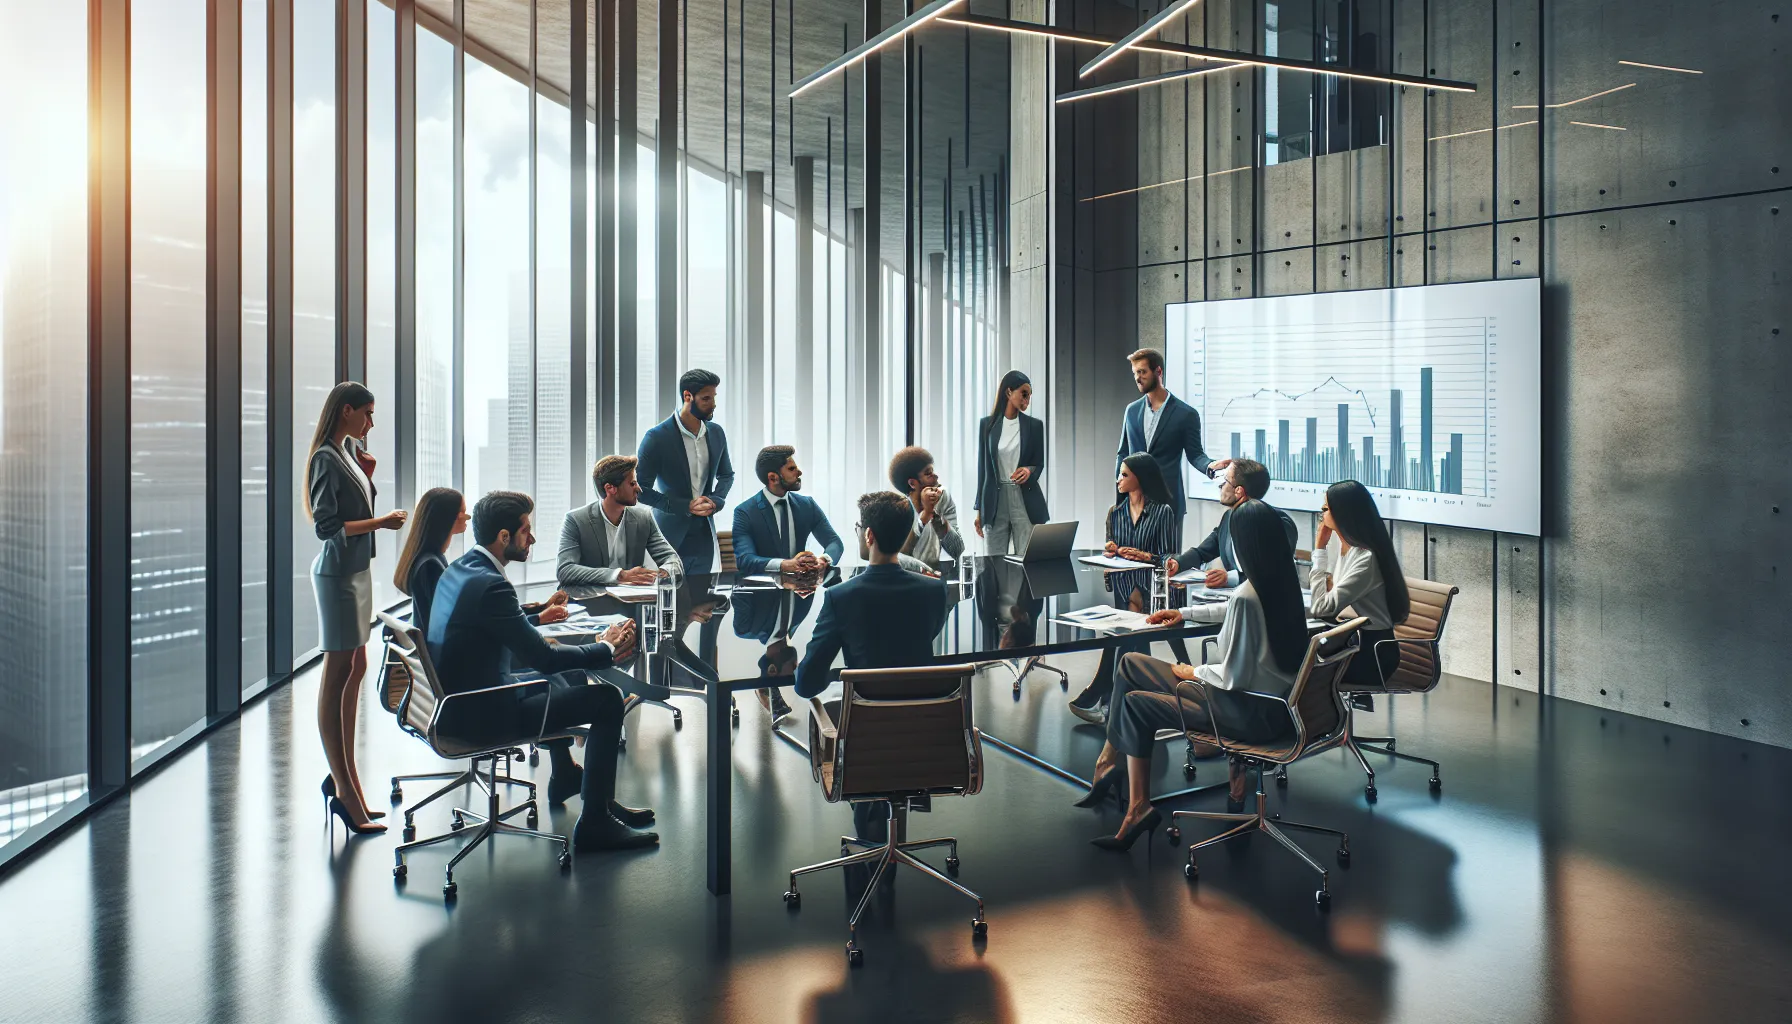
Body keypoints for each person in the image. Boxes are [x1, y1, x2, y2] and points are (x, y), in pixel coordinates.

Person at [427, 491, 658, 852]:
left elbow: (495, 624)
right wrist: (607, 647)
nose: (532, 539)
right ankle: (596, 824)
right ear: (504, 537)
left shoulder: (462, 568)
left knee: (568, 679)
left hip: (458, 701)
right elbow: (543, 658)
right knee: (607, 700)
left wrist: (536, 619)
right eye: (526, 531)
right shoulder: (493, 585)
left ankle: (569, 777)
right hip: (481, 712)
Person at [1083, 500, 1312, 852]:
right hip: (1272, 706)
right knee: (1129, 662)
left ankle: (1136, 806)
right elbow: (1233, 607)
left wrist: (1194, 671)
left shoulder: (1248, 599)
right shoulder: (1281, 583)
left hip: (1242, 711)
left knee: (1136, 703)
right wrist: (1185, 612)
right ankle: (1110, 766)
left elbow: (1232, 676)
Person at [794, 491, 951, 842]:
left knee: (856, 720)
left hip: (866, 744)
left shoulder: (841, 597)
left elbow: (806, 685)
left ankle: (871, 834)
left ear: (868, 536)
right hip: (925, 737)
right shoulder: (933, 592)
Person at [306, 382, 408, 834]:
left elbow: (355, 501)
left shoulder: (346, 452)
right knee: (338, 670)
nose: (370, 423)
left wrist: (367, 470)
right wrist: (381, 523)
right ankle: (345, 790)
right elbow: (327, 526)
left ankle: (347, 779)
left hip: (357, 572)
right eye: (366, 413)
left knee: (357, 666)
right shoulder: (325, 458)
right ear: (345, 411)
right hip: (337, 576)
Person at [1066, 453, 1180, 725]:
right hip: (1123, 587)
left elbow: (1168, 559)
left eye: (1125, 475)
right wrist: (1110, 552)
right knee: (1126, 631)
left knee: (1122, 629)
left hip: (1154, 591)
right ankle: (1120, 701)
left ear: (1140, 478)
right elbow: (1112, 551)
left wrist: (1145, 557)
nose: (1118, 479)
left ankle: (1104, 696)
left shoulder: (1162, 511)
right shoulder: (1115, 513)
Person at [1116, 347, 1230, 542]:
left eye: (1142, 372)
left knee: (1167, 566)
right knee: (1130, 561)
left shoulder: (1186, 414)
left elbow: (1195, 455)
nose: (1137, 378)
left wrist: (1210, 466)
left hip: (1168, 504)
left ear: (1158, 372)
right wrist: (1120, 498)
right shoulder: (1132, 411)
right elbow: (1123, 454)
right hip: (1133, 503)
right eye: (1135, 373)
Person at [1310, 479, 1410, 689]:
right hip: (1353, 641)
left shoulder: (1366, 558)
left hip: (1372, 653)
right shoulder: (1348, 548)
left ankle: (1320, 721)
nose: (1322, 513)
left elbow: (1321, 608)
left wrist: (1319, 550)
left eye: (1326, 508)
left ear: (1343, 513)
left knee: (1298, 670)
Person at [637, 368, 735, 574]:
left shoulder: (716, 433)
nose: (713, 404)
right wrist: (685, 506)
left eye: (714, 397)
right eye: (706, 398)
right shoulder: (656, 437)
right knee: (669, 601)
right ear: (687, 396)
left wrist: (716, 500)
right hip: (668, 534)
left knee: (702, 598)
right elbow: (640, 489)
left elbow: (726, 475)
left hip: (705, 535)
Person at [1162, 458, 1298, 587]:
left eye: (1225, 480)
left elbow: (1273, 571)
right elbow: (1202, 552)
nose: (1220, 485)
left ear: (1239, 491)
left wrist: (1231, 578)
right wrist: (1178, 563)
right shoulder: (1228, 518)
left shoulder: (1279, 523)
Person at [558, 455, 685, 589]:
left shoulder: (643, 518)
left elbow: (672, 559)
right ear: (610, 488)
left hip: (631, 602)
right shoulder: (576, 520)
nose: (639, 489)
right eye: (632, 483)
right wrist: (620, 575)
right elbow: (565, 570)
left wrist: (663, 573)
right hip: (589, 604)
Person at [732, 445, 844, 577]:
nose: (799, 472)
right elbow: (745, 560)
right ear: (773, 478)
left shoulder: (807, 505)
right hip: (763, 592)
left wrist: (823, 560)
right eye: (792, 469)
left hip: (802, 590)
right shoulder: (745, 512)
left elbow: (834, 542)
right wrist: (783, 564)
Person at [973, 370, 1049, 557]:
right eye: (1024, 394)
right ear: (1008, 393)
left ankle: (1026, 588)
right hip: (995, 499)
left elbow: (1039, 464)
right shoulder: (987, 425)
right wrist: (979, 510)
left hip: (1024, 497)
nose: (1027, 400)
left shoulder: (1035, 426)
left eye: (1030, 396)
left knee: (1028, 558)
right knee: (993, 560)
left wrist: (1029, 471)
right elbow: (982, 470)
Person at [392, 486, 469, 632]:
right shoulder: (431, 564)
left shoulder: (428, 558)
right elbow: (444, 619)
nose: (467, 517)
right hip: (441, 649)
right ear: (447, 517)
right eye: (463, 512)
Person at [889, 446, 966, 566]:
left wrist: (936, 517)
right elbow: (899, 557)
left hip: (934, 578)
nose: (936, 477)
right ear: (912, 483)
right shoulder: (896, 509)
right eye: (928, 474)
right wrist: (924, 517)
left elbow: (957, 550)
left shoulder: (942, 498)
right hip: (905, 580)